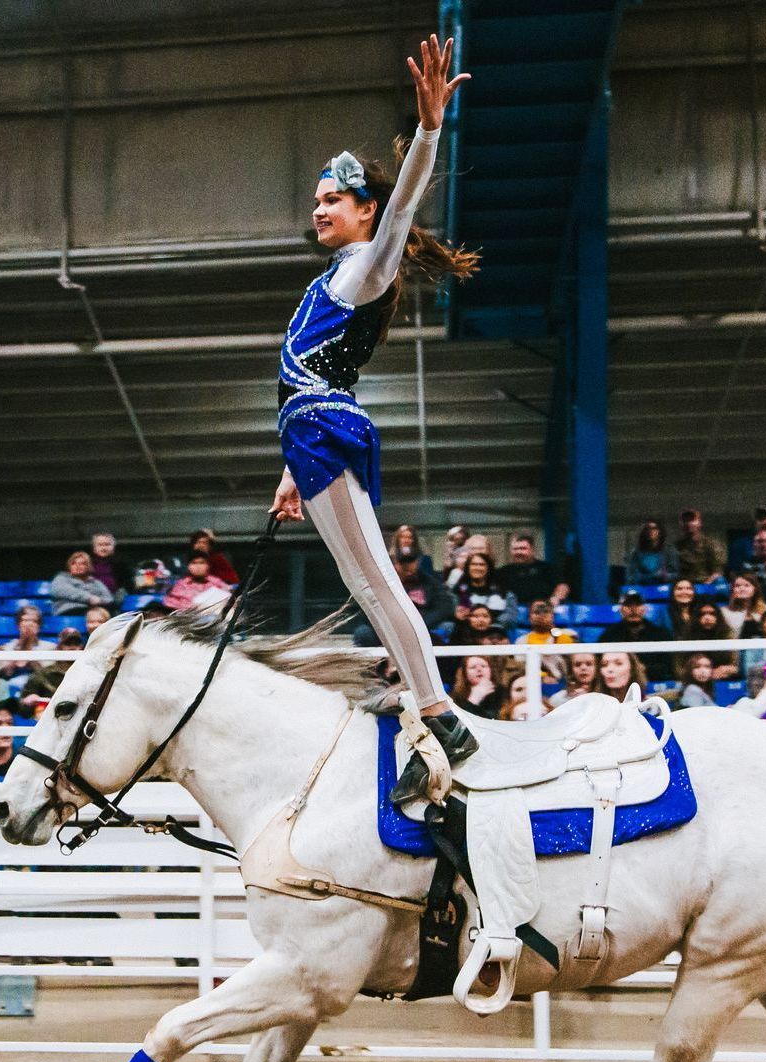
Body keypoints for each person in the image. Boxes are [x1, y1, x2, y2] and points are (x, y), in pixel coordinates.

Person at [266, 37, 478, 808]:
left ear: (365, 213)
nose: (319, 209)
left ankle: (439, 716)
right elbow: (319, 373)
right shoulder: (332, 280)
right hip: (312, 436)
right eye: (317, 199)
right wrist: (292, 472)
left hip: (324, 432)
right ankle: (431, 713)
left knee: (373, 582)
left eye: (334, 201)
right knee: (366, 583)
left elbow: (406, 206)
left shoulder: (365, 265)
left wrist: (427, 132)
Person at [597, 589, 674, 681]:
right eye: (628, 605)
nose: (633, 609)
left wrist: (645, 669)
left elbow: (668, 665)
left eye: (637, 604)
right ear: (621, 609)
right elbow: (600, 661)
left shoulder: (660, 634)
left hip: (653, 681)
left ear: (645, 609)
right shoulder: (609, 634)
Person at [20, 627, 84, 711]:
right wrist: (28, 700)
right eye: (68, 643)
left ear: (82, 647)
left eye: (76, 644)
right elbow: (23, 705)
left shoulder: (87, 674)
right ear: (59, 647)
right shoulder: (43, 674)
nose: (72, 647)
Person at [497, 532, 568, 606]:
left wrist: (555, 598)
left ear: (532, 550)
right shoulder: (503, 572)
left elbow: (562, 587)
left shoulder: (547, 568)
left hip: (542, 611)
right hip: (513, 613)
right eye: (515, 549)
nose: (518, 552)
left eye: (523, 548)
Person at [51, 550, 118, 615]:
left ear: (88, 567)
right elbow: (63, 590)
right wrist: (89, 598)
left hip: (95, 610)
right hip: (70, 610)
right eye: (73, 563)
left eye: (82, 563)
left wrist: (100, 601)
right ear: (69, 566)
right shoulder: (61, 578)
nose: (77, 566)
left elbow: (109, 598)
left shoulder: (96, 582)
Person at [163, 550, 233, 612]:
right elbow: (171, 605)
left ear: (208, 565)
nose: (198, 566)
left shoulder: (217, 583)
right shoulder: (181, 585)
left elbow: (229, 599)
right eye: (194, 563)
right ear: (188, 566)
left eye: (202, 563)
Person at [674, 509, 726, 584]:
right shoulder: (676, 546)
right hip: (684, 585)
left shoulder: (711, 544)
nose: (688, 523)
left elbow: (718, 571)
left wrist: (706, 585)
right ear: (681, 524)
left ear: (699, 523)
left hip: (707, 582)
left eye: (692, 520)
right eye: (685, 520)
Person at [623, 519, 679, 586]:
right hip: (642, 588)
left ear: (660, 531)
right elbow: (631, 577)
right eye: (648, 529)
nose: (651, 531)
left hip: (664, 588)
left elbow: (676, 574)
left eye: (654, 528)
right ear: (644, 532)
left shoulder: (669, 550)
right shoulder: (635, 553)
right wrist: (650, 577)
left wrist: (665, 576)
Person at [449, 654, 505, 719]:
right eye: (473, 667)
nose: (479, 669)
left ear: (491, 670)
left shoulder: (503, 693)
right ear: (465, 673)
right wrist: (473, 699)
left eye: (483, 666)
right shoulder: (456, 697)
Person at [0, 604, 47, 679]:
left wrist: (29, 653)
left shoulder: (49, 648)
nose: (29, 624)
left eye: (34, 621)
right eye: (25, 620)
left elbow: (47, 676)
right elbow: (3, 675)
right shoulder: (8, 647)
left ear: (39, 626)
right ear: (18, 625)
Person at [87, 532, 133, 599]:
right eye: (100, 545)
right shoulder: (86, 563)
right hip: (92, 598)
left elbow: (129, 586)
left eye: (107, 544)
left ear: (113, 547)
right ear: (94, 548)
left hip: (116, 598)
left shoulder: (122, 565)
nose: (104, 548)